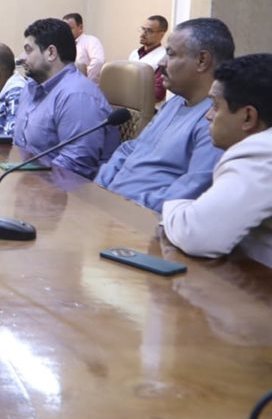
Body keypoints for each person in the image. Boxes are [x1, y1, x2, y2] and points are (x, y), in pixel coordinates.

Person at [95, 18, 233, 211]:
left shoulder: (217, 120)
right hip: (109, 206)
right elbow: (131, 148)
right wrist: (100, 189)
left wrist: (124, 204)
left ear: (202, 60)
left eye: (171, 54)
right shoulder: (174, 103)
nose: (161, 63)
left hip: (141, 218)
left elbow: (188, 192)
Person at [162, 53, 272, 268]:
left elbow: (196, 235)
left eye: (215, 105)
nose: (208, 116)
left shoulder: (260, 152)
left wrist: (172, 207)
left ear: (248, 117)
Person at [13, 17, 118, 178]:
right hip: (27, 179)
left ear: (51, 53)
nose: (22, 57)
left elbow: (75, 165)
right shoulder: (30, 88)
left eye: (28, 50)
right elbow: (20, 146)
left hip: (64, 188)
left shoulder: (78, 96)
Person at [130, 15, 169, 102]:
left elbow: (158, 94)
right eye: (143, 29)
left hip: (149, 108)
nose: (142, 34)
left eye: (149, 31)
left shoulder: (163, 57)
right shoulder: (134, 54)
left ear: (161, 35)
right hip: (128, 105)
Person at [63, 12, 105, 83]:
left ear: (80, 28)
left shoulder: (91, 41)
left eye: (70, 28)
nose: (66, 32)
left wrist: (85, 81)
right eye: (64, 29)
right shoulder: (63, 44)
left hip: (85, 85)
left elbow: (98, 62)